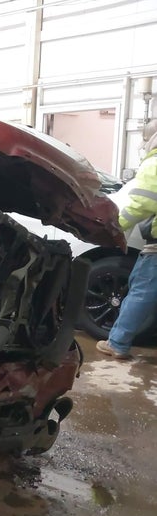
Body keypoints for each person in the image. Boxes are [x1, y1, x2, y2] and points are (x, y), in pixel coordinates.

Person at [96, 119, 157, 359]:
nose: (142, 143)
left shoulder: (154, 163)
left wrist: (113, 227)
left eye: (144, 138)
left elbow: (141, 203)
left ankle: (117, 343)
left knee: (141, 289)